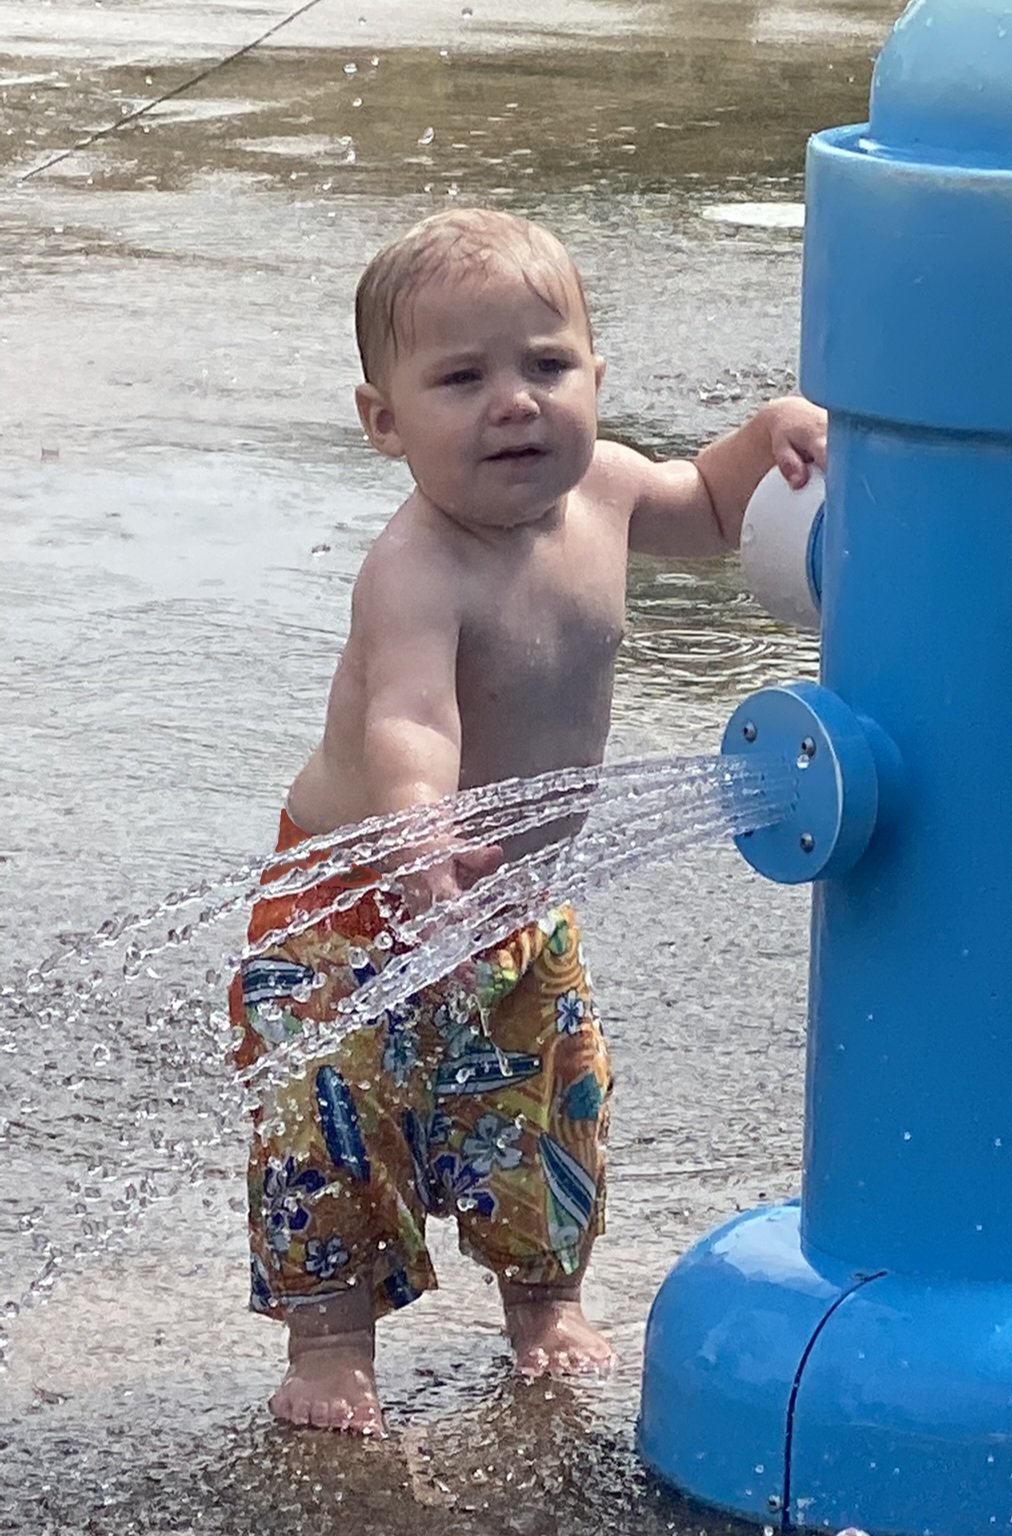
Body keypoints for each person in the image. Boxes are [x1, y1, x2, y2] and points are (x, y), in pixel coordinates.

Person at [229, 205, 827, 1437]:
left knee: (548, 1100)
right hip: (360, 908)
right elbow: (411, 718)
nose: (516, 401)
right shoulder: (419, 565)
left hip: (509, 902)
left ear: (595, 379)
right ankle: (332, 1344)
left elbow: (710, 511)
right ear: (383, 421)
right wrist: (415, 824)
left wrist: (768, 438)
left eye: (546, 366)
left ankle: (542, 1303)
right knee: (339, 1128)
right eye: (464, 378)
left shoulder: (607, 492)